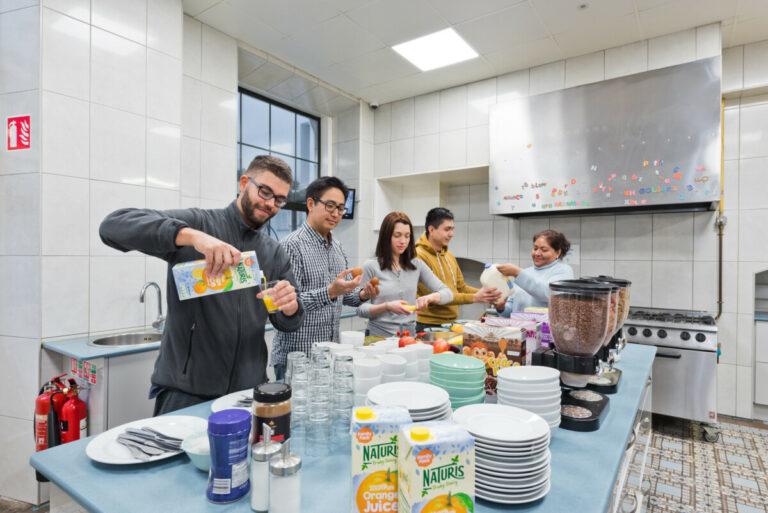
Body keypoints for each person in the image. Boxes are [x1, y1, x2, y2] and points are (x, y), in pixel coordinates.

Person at [99, 155, 304, 415]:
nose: (270, 204)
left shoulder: (274, 253)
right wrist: (192, 238)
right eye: (265, 191)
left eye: (279, 199)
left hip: (246, 393)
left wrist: (290, 307)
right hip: (185, 393)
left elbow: (290, 322)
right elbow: (112, 226)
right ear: (244, 183)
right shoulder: (200, 225)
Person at [272, 176, 379, 379]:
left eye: (340, 208)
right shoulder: (291, 246)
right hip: (297, 357)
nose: (336, 214)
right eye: (330, 206)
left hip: (329, 355)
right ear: (311, 204)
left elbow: (343, 296)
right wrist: (330, 291)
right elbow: (288, 304)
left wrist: (363, 294)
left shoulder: (337, 247)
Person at [357, 212, 453, 337]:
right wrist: (387, 306)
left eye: (407, 236)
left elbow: (448, 293)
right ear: (386, 236)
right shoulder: (371, 266)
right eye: (397, 236)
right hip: (378, 337)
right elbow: (360, 309)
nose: (403, 241)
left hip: (409, 337)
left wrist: (430, 298)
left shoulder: (416, 265)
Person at [414, 207, 501, 332]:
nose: (451, 234)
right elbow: (435, 297)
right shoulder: (418, 256)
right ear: (431, 230)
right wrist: (475, 297)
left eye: (452, 229)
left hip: (452, 323)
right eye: (447, 229)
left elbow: (461, 288)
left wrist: (486, 294)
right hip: (429, 326)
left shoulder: (449, 256)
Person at [495, 229, 574, 315]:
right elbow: (510, 310)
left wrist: (517, 273)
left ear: (557, 252)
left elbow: (547, 293)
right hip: (519, 327)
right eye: (535, 248)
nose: (537, 253)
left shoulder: (564, 271)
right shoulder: (525, 272)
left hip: (545, 328)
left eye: (544, 250)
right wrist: (501, 308)